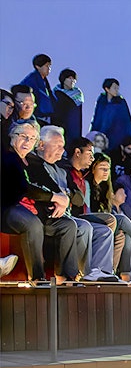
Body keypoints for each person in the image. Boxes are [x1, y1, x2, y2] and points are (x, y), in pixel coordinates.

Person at [28, 125, 118, 281]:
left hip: (67, 215)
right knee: (83, 226)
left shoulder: (61, 170)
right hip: (48, 216)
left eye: (62, 147)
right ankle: (84, 274)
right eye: (57, 146)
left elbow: (77, 198)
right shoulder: (34, 164)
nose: (61, 151)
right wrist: (59, 197)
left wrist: (66, 196)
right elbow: (40, 191)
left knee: (105, 230)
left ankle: (102, 272)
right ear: (41, 145)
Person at [1, 121, 78, 284]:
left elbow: (52, 186)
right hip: (9, 209)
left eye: (32, 138)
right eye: (23, 137)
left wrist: (62, 200)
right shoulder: (7, 158)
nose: (28, 142)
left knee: (68, 225)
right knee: (32, 224)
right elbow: (24, 188)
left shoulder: (33, 161)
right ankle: (36, 277)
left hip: (37, 209)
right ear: (12, 137)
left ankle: (65, 276)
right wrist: (56, 197)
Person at [89, 79, 131, 156]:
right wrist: (93, 133)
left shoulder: (121, 102)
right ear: (107, 89)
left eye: (117, 88)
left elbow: (127, 121)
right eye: (114, 88)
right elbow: (97, 117)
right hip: (102, 135)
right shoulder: (101, 101)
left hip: (117, 136)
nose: (116, 90)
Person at [20, 54, 56, 124]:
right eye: (46, 66)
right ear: (38, 66)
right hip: (36, 118)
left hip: (46, 118)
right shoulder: (31, 80)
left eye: (50, 66)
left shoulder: (45, 82)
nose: (49, 68)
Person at [51, 68, 83, 141]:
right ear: (63, 79)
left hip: (73, 124)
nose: (72, 81)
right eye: (69, 78)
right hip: (58, 125)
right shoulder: (56, 93)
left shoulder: (77, 93)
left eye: (74, 79)